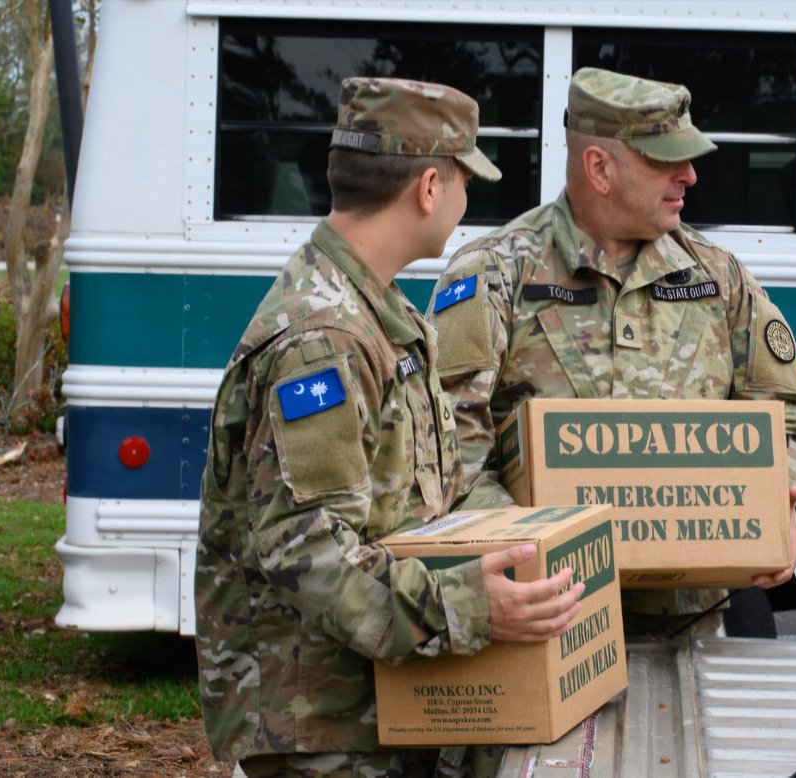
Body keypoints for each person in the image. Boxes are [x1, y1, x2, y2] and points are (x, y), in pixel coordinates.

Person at [195, 77, 585, 777]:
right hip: (322, 729)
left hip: (371, 707)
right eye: (467, 180)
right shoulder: (326, 338)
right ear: (429, 187)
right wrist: (469, 608)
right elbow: (309, 551)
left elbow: (412, 501)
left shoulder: (375, 312)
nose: (468, 203)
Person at [428, 67, 796, 639]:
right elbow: (444, 449)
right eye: (667, 159)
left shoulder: (719, 279)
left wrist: (785, 509)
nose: (689, 175)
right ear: (599, 168)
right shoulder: (496, 274)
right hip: (550, 627)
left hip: (693, 630)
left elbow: (794, 425)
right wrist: (538, 546)